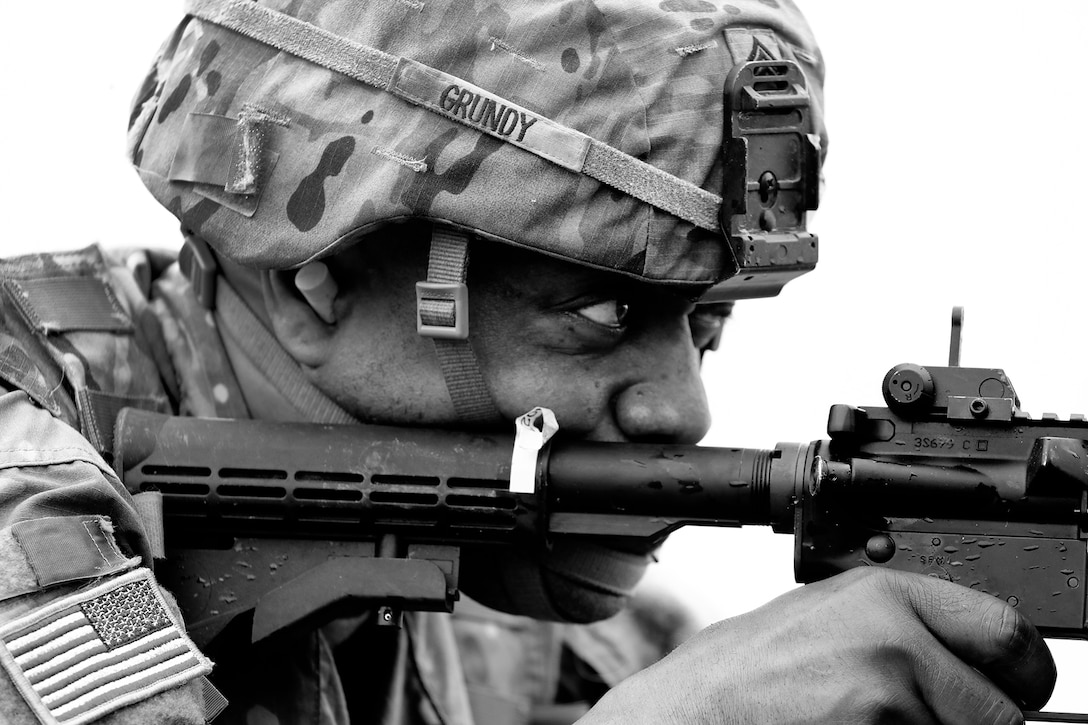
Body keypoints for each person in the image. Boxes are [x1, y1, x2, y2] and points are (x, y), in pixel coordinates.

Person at [0, 1, 1057, 724]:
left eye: (704, 325)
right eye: (603, 308)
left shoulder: (524, 618)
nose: (681, 407)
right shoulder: (25, 473)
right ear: (315, 277)